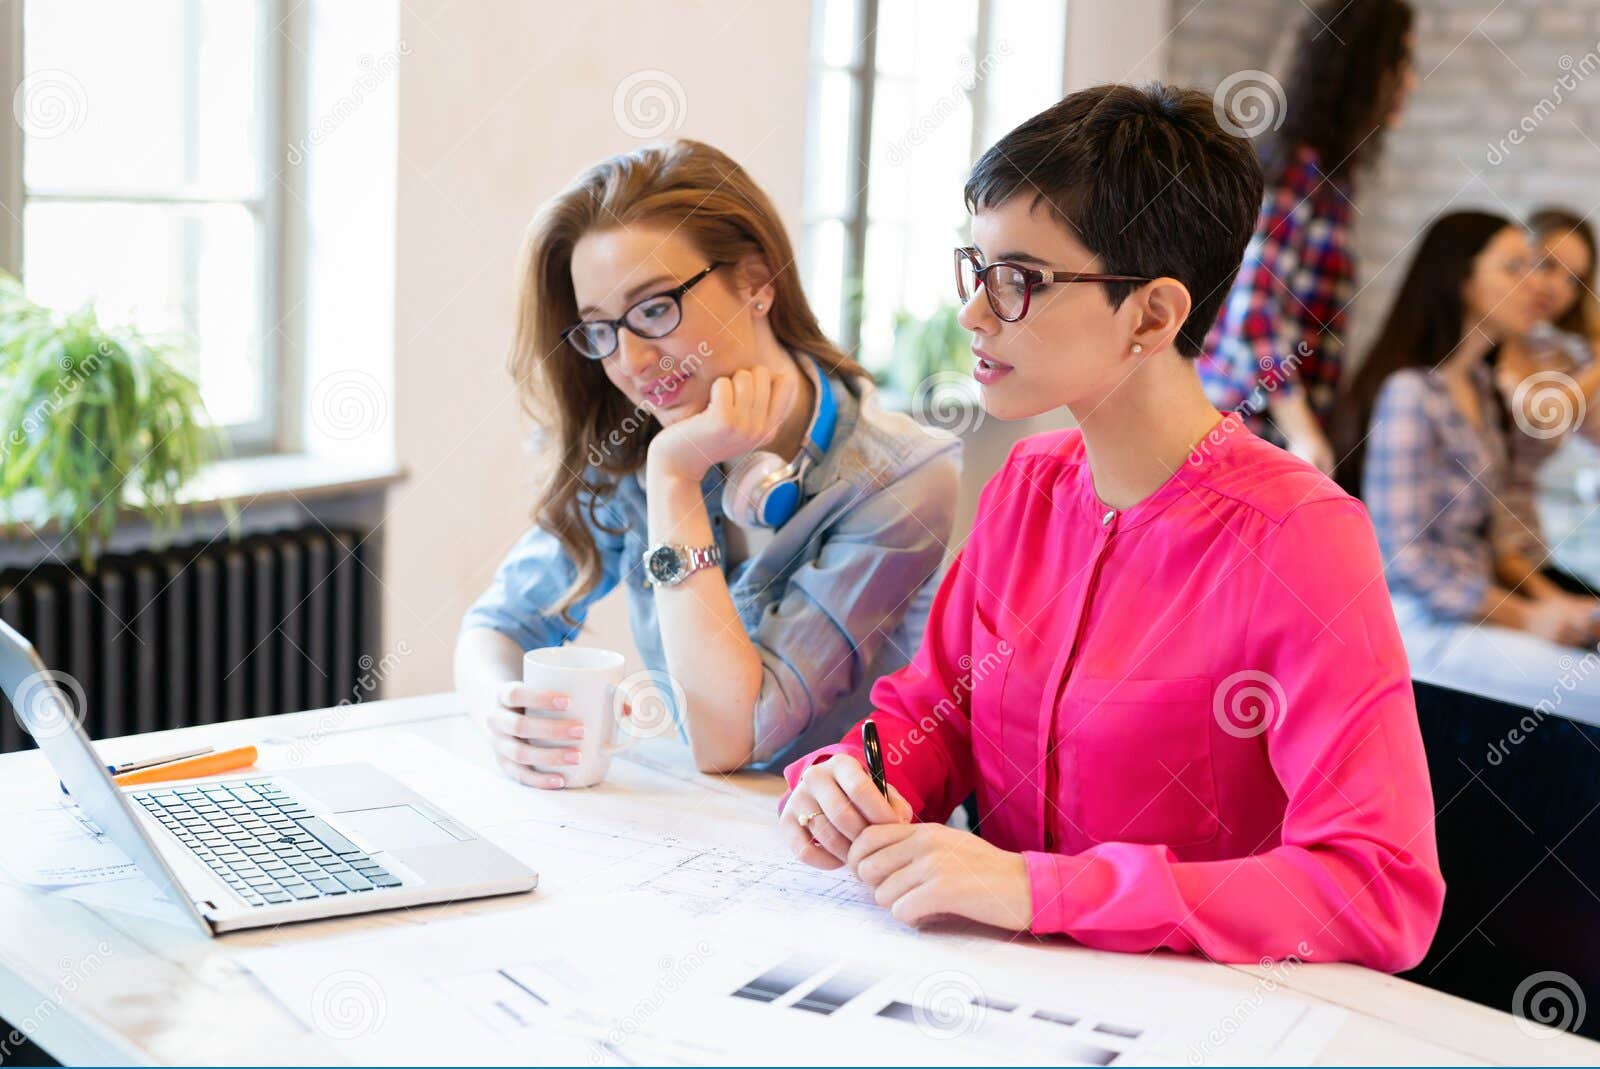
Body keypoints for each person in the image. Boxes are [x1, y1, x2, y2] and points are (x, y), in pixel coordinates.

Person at [777, 85, 1445, 971]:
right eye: (975, 270)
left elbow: (1378, 888)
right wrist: (858, 780)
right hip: (996, 995)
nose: (974, 313)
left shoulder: (1300, 535)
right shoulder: (1027, 485)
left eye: (1018, 280)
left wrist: (1036, 887)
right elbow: (935, 715)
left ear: (1154, 315)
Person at [455, 140, 961, 785]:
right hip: (710, 831)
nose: (630, 363)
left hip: (847, 851)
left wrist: (675, 479)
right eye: (600, 329)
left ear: (756, 282)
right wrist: (500, 710)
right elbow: (498, 625)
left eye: (656, 309)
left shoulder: (901, 476)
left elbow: (733, 739)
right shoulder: (633, 445)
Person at [1333, 211, 1600, 724]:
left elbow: (1494, 534)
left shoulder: (1478, 387)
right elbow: (1406, 558)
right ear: (1463, 280)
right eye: (1515, 268)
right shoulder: (1410, 393)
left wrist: (1553, 608)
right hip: (1425, 628)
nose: (1536, 286)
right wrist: (1528, 617)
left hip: (1477, 612)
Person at [1199, 0, 1416, 474]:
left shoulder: (1333, 180)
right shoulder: (1300, 171)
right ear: (1363, 70)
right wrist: (1303, 432)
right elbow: (1254, 313)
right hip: (1241, 433)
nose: (1410, 82)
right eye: (1401, 62)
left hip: (1266, 431)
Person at [1494, 207, 1600, 597]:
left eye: (1574, 281)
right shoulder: (1486, 344)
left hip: (1528, 550)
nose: (1557, 288)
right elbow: (1540, 415)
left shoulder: (1555, 356)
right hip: (1488, 557)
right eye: (1548, 265)